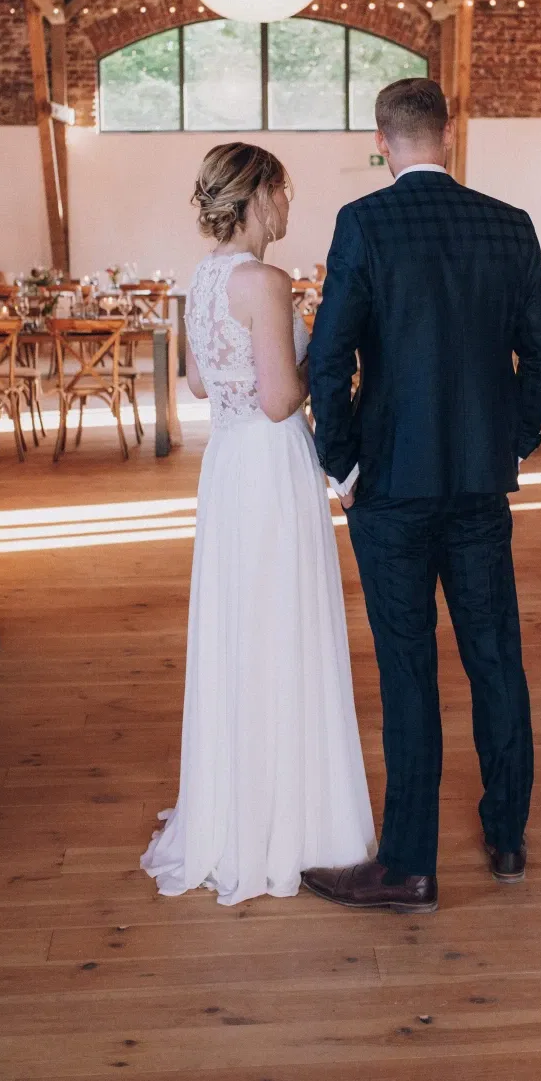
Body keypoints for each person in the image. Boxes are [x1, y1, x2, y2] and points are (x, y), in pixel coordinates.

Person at [303, 78, 541, 914]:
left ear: (382, 140)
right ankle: (508, 836)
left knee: (407, 667)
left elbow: (329, 357)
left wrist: (341, 465)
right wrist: (511, 439)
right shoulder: (508, 224)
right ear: (449, 134)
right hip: (479, 483)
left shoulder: (365, 223)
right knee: (496, 658)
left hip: (390, 485)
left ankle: (410, 864)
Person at [141, 143, 375, 906]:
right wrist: (328, 352)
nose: (289, 205)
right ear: (261, 195)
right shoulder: (266, 282)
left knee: (242, 629)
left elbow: (198, 381)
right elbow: (280, 400)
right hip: (272, 465)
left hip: (228, 465)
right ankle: (294, 823)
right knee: (284, 627)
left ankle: (236, 811)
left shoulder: (204, 278)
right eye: (285, 191)